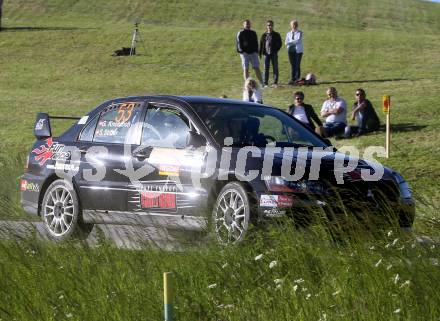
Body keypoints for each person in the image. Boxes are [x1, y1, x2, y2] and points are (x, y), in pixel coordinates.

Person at [236, 19, 264, 85]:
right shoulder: (240, 33)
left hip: (253, 53)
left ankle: (262, 83)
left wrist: (257, 51)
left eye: (249, 24)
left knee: (257, 68)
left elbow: (256, 43)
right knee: (246, 69)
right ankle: (247, 84)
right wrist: (242, 51)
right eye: (246, 24)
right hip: (244, 54)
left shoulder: (253, 32)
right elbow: (238, 43)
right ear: (244, 25)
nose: (248, 25)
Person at [259, 20, 282, 87]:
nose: (270, 26)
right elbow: (261, 44)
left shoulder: (276, 34)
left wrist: (276, 50)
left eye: (271, 25)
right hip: (266, 54)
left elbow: (280, 43)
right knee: (266, 68)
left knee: (275, 67)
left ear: (273, 26)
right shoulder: (264, 35)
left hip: (273, 53)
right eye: (268, 25)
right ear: (267, 26)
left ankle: (275, 82)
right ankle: (265, 82)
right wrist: (260, 53)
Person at [285, 20, 304, 85]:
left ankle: (297, 79)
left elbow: (298, 41)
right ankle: (292, 79)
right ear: (291, 25)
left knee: (297, 64)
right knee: (292, 65)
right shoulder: (288, 33)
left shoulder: (300, 33)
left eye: (295, 24)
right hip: (290, 51)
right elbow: (286, 42)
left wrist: (290, 42)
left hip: (298, 51)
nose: (294, 26)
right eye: (293, 24)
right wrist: (291, 42)